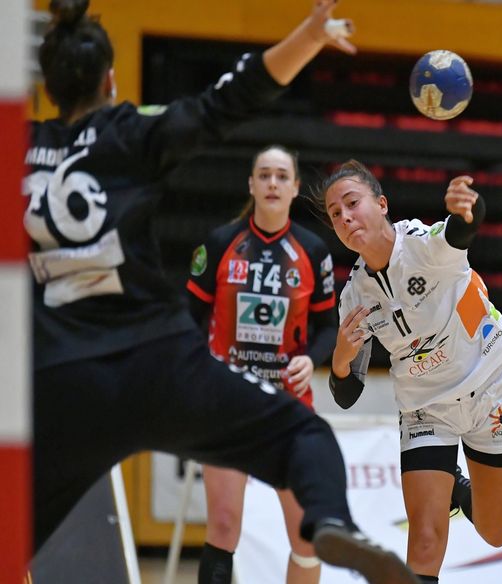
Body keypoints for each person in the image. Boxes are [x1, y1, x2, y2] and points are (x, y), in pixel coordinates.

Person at [25, 1, 417, 582]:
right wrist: (308, 37)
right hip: (153, 361)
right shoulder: (131, 132)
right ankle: (332, 522)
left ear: (46, 89)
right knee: (305, 436)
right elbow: (228, 99)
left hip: (58, 376)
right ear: (110, 81)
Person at [315, 160, 502, 583]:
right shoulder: (355, 295)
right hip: (426, 410)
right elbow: (346, 392)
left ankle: (459, 490)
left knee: (495, 531)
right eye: (336, 213)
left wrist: (468, 209)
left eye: (352, 203)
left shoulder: (423, 245)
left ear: (382, 204)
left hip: (489, 386)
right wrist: (341, 353)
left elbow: (461, 230)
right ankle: (446, 483)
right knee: (425, 542)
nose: (345, 217)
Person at [187, 145, 336, 584]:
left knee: (306, 536)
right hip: (227, 405)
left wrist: (311, 360)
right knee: (224, 526)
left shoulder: (312, 251)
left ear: (294, 188)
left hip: (286, 409)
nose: (272, 183)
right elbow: (190, 323)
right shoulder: (218, 245)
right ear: (251, 185)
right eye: (264, 175)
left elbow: (328, 328)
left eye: (281, 176)